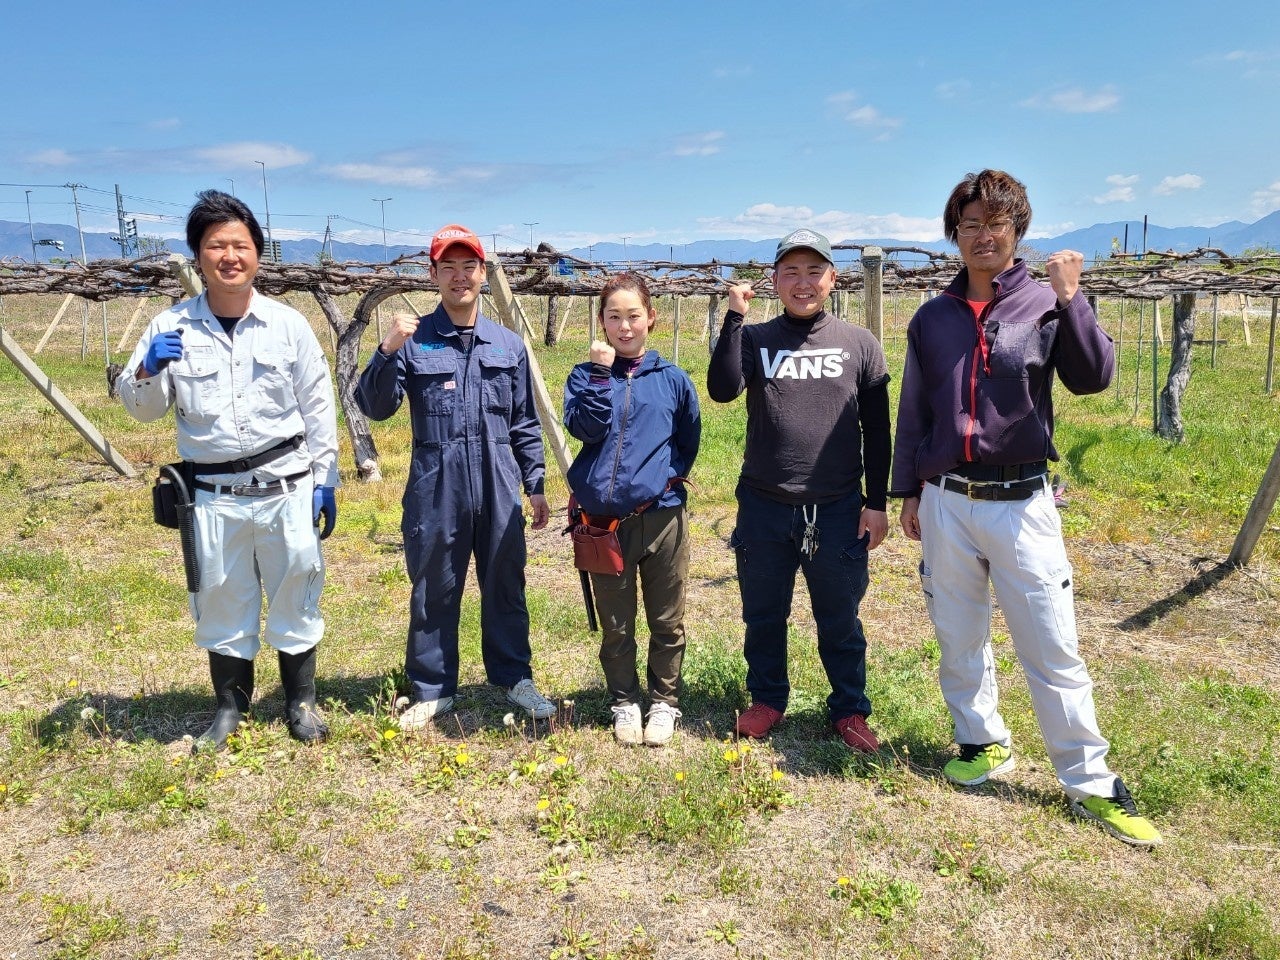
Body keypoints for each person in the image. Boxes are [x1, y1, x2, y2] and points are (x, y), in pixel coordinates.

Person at [891, 169, 1161, 846]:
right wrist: (906, 491)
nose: (984, 236)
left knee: (1051, 645)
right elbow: (916, 409)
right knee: (959, 635)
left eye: (997, 224)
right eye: (971, 225)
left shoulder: (1043, 301)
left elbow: (1093, 378)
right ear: (955, 235)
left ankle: (1091, 781)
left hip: (1022, 502)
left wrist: (1074, 302)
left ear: (1018, 232)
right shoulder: (933, 317)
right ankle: (980, 741)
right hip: (948, 499)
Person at [117, 189, 339, 751]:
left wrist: (326, 478)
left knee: (296, 588)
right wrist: (145, 369)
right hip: (214, 492)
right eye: (216, 246)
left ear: (258, 254)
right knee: (221, 596)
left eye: (240, 244)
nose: (229, 256)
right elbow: (143, 410)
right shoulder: (170, 328)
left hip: (285, 485)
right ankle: (228, 708)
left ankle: (301, 702)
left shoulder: (287, 326)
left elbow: (318, 405)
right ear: (199, 256)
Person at [356, 224, 556, 730]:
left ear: (483, 274)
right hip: (436, 481)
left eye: (470, 267)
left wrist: (534, 485)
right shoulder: (414, 340)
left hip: (497, 477)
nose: (460, 277)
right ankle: (431, 689)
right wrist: (385, 351)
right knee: (434, 586)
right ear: (434, 275)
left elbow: (525, 421)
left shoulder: (508, 345)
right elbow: (374, 406)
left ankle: (514, 677)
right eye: (449, 267)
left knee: (505, 580)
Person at [707, 229, 891, 753]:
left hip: (836, 506)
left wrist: (875, 503)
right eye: (791, 271)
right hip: (764, 504)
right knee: (763, 613)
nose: (803, 282)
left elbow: (878, 431)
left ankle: (850, 709)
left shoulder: (859, 344)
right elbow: (722, 389)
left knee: (840, 617)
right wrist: (735, 318)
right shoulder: (757, 338)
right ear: (774, 280)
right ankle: (767, 700)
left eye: (814, 271)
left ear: (833, 279)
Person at [563, 273, 701, 746]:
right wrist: (601, 376)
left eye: (633, 316)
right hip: (604, 524)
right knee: (616, 622)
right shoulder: (583, 376)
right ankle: (624, 701)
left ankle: (664, 702)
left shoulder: (673, 380)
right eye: (614, 317)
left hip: (662, 518)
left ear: (651, 318)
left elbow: (688, 440)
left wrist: (663, 480)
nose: (624, 327)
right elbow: (586, 429)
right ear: (601, 321)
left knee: (667, 617)